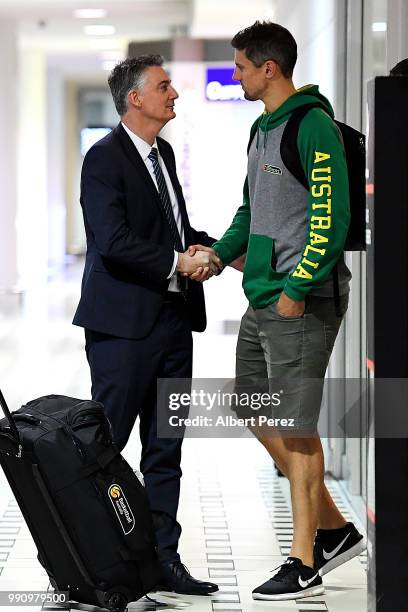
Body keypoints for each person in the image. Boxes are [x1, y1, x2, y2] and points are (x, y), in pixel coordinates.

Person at [190, 21, 366, 601]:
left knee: (296, 427)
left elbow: (331, 217)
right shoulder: (260, 130)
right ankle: (335, 530)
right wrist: (218, 255)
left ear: (270, 68)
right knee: (250, 405)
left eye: (240, 66)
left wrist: (298, 285)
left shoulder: (311, 125)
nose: (234, 73)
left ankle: (305, 559)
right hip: (263, 297)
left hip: (301, 302)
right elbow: (250, 211)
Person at [73, 54, 221, 595]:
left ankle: (163, 559)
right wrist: (177, 261)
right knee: (104, 452)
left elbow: (169, 231)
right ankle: (99, 566)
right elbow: (111, 241)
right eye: (164, 87)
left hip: (173, 326)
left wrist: (212, 249)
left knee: (167, 447)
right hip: (122, 331)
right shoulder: (104, 159)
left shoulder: (162, 158)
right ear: (135, 98)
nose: (174, 94)